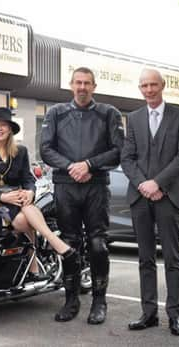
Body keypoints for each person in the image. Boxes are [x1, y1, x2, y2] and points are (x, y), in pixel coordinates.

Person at [40, 67, 124, 324]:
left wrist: (88, 165)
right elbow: (45, 148)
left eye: (87, 83)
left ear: (94, 86)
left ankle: (99, 302)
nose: (82, 87)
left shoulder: (109, 113)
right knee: (69, 243)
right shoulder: (56, 113)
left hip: (96, 185)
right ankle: (71, 300)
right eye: (78, 82)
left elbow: (118, 150)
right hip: (65, 185)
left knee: (98, 244)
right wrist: (71, 167)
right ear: (71, 85)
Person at [120, 68, 179, 337]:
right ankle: (148, 313)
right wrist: (144, 184)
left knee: (172, 258)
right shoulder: (134, 118)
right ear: (139, 88)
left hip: (168, 197)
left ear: (163, 85)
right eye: (144, 86)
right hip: (140, 197)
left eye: (153, 85)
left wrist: (158, 184)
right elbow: (127, 158)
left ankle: (174, 316)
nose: (149, 90)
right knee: (144, 258)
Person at [0, 107, 77, 279]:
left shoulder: (20, 151)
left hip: (16, 200)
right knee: (24, 219)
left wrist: (30, 192)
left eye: (3, 125)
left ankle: (36, 263)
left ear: (10, 129)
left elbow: (28, 178)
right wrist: (2, 196)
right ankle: (52, 250)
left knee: (27, 207)